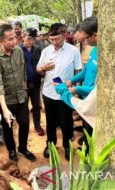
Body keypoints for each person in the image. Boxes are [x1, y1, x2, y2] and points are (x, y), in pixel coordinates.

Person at [36, 23, 82, 161]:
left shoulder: (73, 51)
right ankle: (50, 144)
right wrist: (44, 67)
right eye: (52, 39)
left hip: (65, 94)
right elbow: (38, 69)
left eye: (57, 39)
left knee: (66, 122)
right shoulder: (46, 51)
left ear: (64, 35)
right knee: (50, 122)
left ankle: (67, 146)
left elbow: (78, 71)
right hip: (49, 93)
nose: (54, 42)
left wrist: (75, 89)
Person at [0, 24, 36, 162]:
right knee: (8, 126)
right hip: (6, 100)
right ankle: (11, 149)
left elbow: (23, 71)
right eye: (10, 39)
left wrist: (25, 87)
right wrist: (4, 109)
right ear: (1, 41)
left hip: (21, 97)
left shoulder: (18, 52)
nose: (14, 41)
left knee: (25, 123)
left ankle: (22, 148)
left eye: (14, 38)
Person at [61, 17, 98, 146]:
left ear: (95, 36)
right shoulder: (94, 51)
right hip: (85, 96)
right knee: (86, 127)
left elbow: (98, 89)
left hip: (94, 102)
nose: (85, 41)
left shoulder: (106, 56)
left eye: (86, 38)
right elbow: (86, 71)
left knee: (93, 135)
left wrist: (76, 89)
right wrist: (72, 80)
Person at [21, 28, 44, 136]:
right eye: (29, 39)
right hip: (24, 84)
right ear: (23, 37)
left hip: (35, 82)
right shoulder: (18, 50)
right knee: (24, 107)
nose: (30, 41)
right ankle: (24, 127)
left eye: (33, 39)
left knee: (36, 106)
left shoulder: (38, 49)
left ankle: (37, 125)